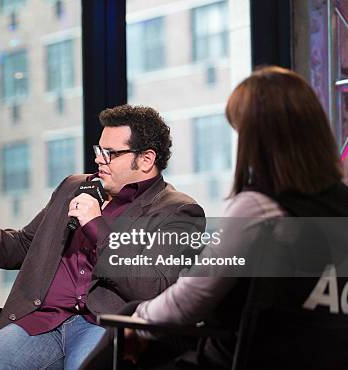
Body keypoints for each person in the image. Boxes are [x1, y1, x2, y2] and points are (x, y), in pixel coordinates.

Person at [81, 66, 348, 370]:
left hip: (248, 357)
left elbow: (188, 301)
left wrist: (137, 323)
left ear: (256, 140)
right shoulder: (341, 205)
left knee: (129, 320)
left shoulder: (258, 208)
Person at [0, 104, 205, 370]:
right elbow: (25, 245)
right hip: (43, 319)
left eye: (110, 153)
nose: (98, 159)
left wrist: (96, 226)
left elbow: (154, 287)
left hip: (103, 325)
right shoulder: (75, 186)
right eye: (98, 149)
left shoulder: (177, 211)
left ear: (146, 159)